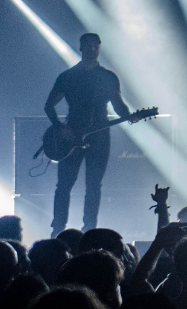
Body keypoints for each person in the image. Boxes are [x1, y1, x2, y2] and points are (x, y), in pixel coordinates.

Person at [43, 32, 136, 237]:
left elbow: (119, 106)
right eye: (89, 45)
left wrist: (131, 116)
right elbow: (49, 105)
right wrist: (60, 127)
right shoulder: (67, 77)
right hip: (71, 137)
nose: (92, 49)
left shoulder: (107, 77)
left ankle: (89, 230)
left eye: (96, 45)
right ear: (81, 47)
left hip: (99, 137)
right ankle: (58, 230)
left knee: (93, 185)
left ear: (99, 48)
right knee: (64, 185)